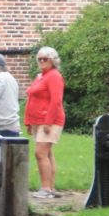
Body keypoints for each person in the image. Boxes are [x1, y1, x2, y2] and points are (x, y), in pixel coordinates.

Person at [25, 46, 65, 199]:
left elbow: (56, 101)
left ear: (52, 60)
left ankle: (46, 188)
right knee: (47, 153)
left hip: (50, 120)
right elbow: (31, 98)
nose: (41, 61)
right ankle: (50, 188)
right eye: (39, 59)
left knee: (40, 152)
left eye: (45, 59)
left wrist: (48, 122)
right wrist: (28, 122)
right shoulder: (40, 76)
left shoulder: (54, 76)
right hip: (37, 121)